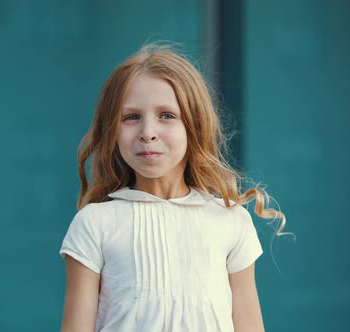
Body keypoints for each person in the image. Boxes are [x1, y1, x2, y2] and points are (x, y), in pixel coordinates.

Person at [58, 43, 290, 332]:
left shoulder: (231, 221)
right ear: (112, 131)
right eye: (131, 117)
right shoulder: (93, 224)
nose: (148, 133)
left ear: (194, 125)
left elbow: (249, 324)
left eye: (167, 115)